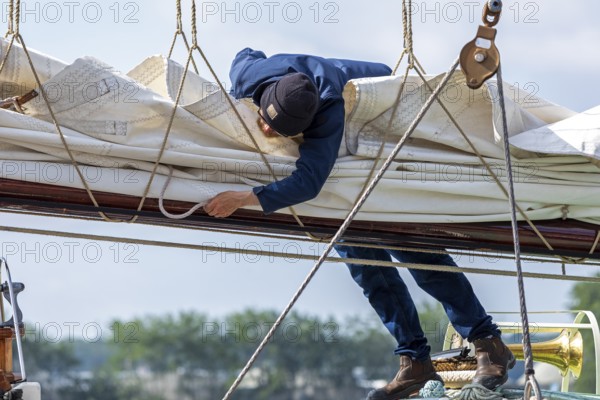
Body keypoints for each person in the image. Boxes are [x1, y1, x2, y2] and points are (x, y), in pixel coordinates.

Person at [204, 48, 515, 399]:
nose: (264, 128)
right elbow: (245, 53)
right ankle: (415, 362)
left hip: (374, 117)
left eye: (277, 131)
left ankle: (488, 343)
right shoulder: (249, 75)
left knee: (416, 251)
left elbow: (309, 181)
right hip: (328, 138)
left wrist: (246, 197)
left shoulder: (327, 110)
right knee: (367, 267)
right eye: (265, 122)